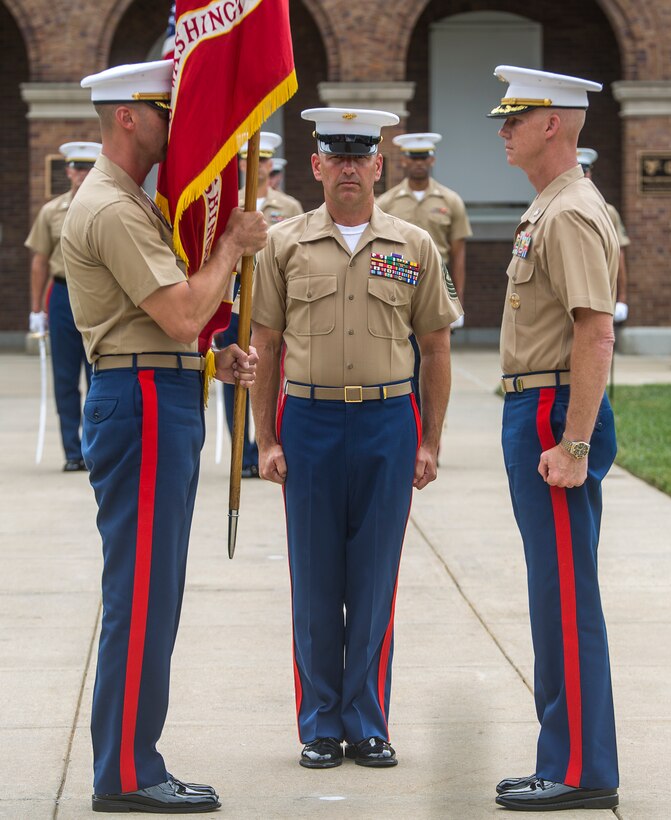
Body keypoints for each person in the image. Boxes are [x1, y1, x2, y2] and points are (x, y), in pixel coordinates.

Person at [61, 60, 267, 813]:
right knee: (142, 593)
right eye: (161, 109)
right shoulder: (113, 206)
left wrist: (213, 355)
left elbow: (167, 328)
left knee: (154, 592)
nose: (175, 124)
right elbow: (180, 313)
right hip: (143, 399)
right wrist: (232, 249)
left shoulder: (129, 203)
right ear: (125, 116)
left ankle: (133, 759)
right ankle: (124, 774)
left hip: (158, 387)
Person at [249, 107, 461, 769]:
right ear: (315, 166)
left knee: (374, 579)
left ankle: (367, 720)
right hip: (308, 424)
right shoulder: (283, 245)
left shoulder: (412, 247)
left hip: (387, 424)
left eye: (359, 156)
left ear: (379, 165)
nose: (347, 168)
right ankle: (319, 725)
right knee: (314, 580)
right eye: (334, 157)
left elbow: (435, 346)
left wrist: (431, 442)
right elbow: (266, 343)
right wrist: (265, 438)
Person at [488, 66, 620, 811]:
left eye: (515, 117)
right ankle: (564, 754)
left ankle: (580, 768)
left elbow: (594, 333)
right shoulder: (552, 205)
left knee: (567, 598)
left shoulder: (568, 211)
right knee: (555, 594)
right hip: (538, 407)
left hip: (553, 413)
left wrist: (572, 445)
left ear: (552, 125)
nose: (503, 129)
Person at [218, 132, 303, 477]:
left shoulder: (290, 207)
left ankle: (268, 441)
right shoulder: (229, 205)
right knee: (236, 369)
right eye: (252, 160)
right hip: (237, 291)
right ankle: (242, 450)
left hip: (276, 290)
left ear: (271, 165)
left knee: (272, 368)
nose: (258, 165)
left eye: (265, 160)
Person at [26, 141, 101, 471]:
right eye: (77, 168)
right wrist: (36, 310)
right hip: (61, 294)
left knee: (98, 373)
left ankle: (94, 448)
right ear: (69, 171)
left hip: (96, 297)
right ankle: (72, 450)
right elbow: (40, 261)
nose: (82, 175)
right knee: (65, 376)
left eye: (88, 168)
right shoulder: (51, 211)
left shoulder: (105, 207)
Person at [376, 132, 472, 326]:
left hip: (438, 283)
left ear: (432, 160)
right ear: (403, 161)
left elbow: (458, 254)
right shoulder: (386, 202)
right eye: (413, 157)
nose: (419, 163)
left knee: (438, 349)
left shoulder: (451, 201)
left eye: (423, 157)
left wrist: (457, 300)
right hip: (398, 282)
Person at [577, 148, 630, 324]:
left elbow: (619, 255)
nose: (582, 176)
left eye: (585, 171)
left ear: (590, 173)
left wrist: (621, 299)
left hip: (601, 297)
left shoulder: (608, 212)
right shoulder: (556, 209)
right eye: (577, 171)